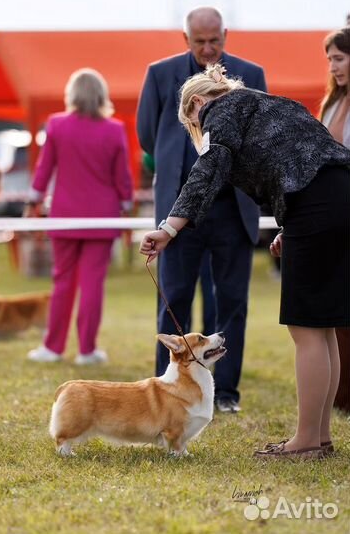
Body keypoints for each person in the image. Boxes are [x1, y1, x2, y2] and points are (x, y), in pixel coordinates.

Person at [140, 64, 350, 459]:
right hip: (339, 198)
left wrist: (168, 229)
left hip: (316, 208)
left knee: (305, 329)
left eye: (194, 122)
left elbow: (208, 171)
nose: (200, 129)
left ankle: (305, 441)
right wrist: (291, 225)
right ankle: (320, 439)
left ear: (198, 103)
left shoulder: (220, 111)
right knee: (324, 328)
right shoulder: (269, 103)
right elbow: (305, 163)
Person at [137, 7, 267, 413]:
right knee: (173, 300)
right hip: (179, 212)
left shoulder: (252, 74)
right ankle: (168, 390)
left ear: (225, 35)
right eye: (200, 42)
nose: (209, 50)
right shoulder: (160, 74)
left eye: (216, 41)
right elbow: (146, 134)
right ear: (186, 38)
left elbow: (261, 132)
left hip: (233, 210)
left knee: (231, 302)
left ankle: (226, 393)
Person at [26, 68, 133, 364]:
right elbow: (122, 175)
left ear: (71, 94)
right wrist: (126, 202)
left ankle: (52, 347)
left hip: (64, 216)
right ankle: (86, 351)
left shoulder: (57, 125)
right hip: (102, 217)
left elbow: (44, 168)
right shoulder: (114, 129)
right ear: (102, 95)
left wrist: (34, 199)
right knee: (92, 285)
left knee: (62, 283)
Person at [320, 27, 350, 413]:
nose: (332, 66)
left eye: (339, 58)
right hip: (334, 213)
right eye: (329, 59)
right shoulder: (331, 100)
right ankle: (343, 395)